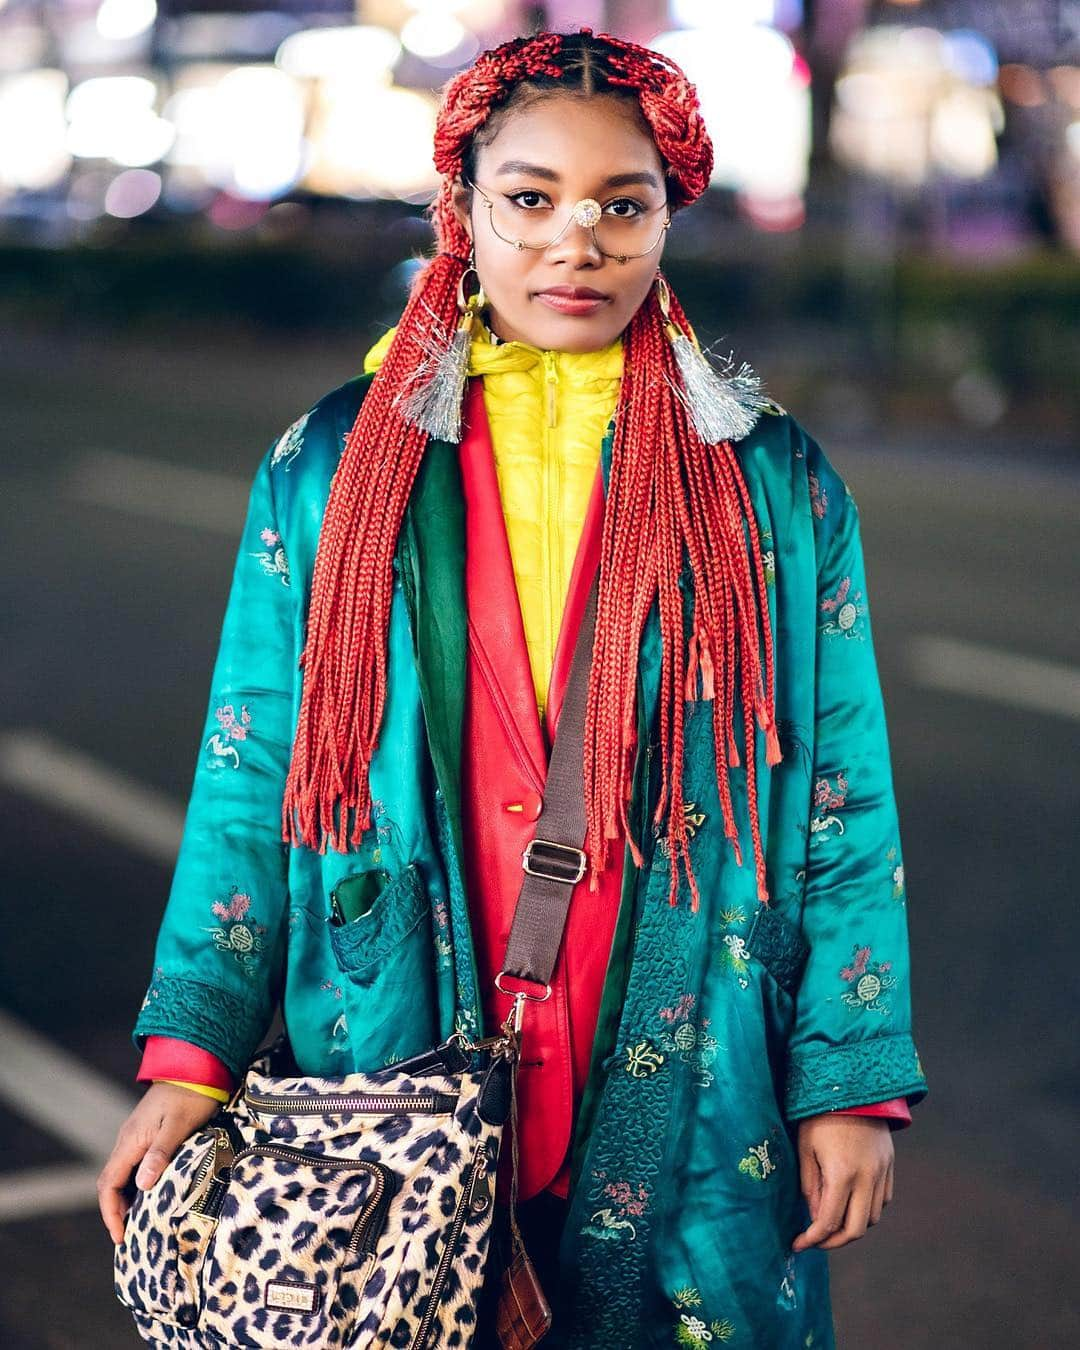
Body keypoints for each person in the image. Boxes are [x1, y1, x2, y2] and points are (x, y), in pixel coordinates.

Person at [97, 26, 928, 1348]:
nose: (574, 243)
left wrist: (847, 1084)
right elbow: (250, 765)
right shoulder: (330, 470)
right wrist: (191, 1059)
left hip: (695, 1049)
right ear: (464, 206)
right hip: (392, 1034)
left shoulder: (772, 479)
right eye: (530, 199)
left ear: (670, 215)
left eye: (623, 204)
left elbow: (840, 794)